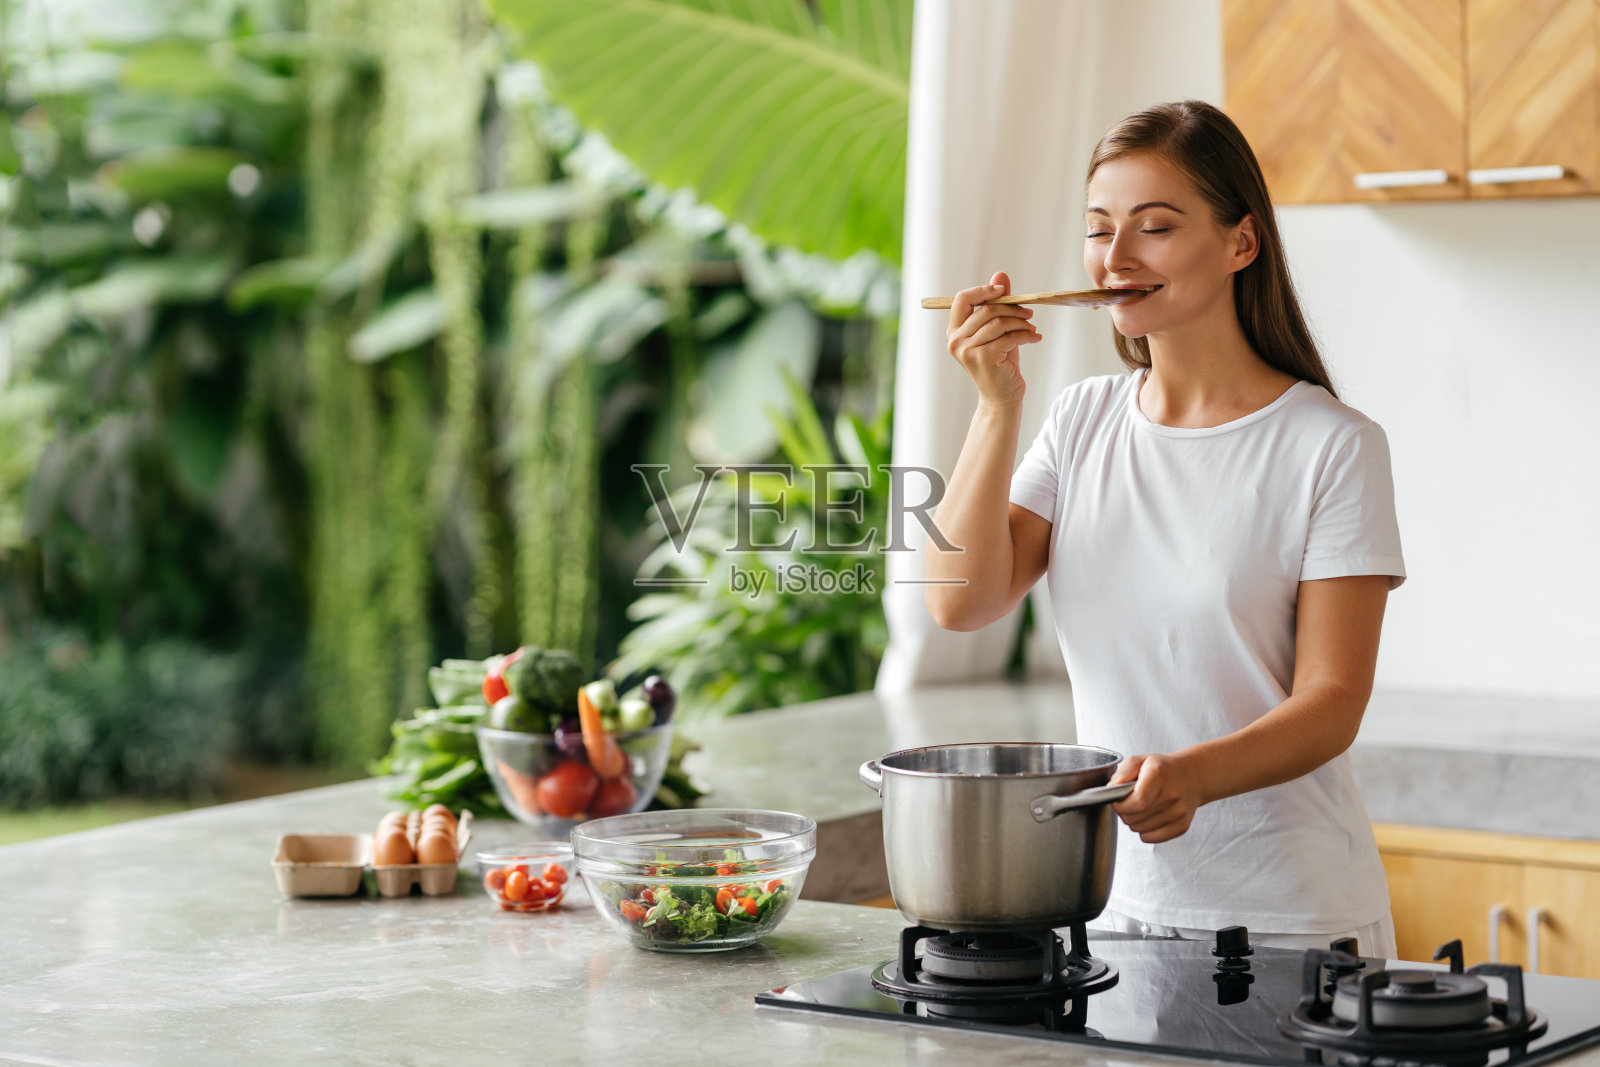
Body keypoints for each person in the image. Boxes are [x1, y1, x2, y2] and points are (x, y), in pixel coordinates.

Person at [926, 100, 1404, 955]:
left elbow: (1332, 704)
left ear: (1240, 243)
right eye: (1098, 229)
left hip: (1286, 916)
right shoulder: (1081, 421)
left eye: (1154, 227)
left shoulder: (1331, 445)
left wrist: (1191, 775)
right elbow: (960, 602)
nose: (1115, 258)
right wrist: (995, 407)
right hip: (1112, 901)